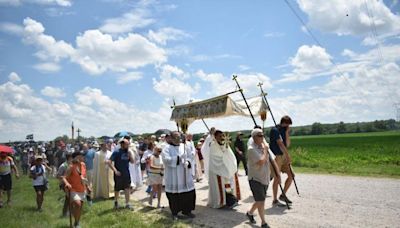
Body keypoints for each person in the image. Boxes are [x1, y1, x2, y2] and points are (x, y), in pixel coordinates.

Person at [246, 128, 281, 228]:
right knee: (261, 201)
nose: (262, 137)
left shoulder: (264, 145)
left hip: (265, 177)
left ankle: (250, 212)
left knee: (260, 200)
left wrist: (277, 173)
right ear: (254, 137)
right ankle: (263, 222)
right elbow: (261, 161)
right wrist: (265, 149)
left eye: (263, 135)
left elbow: (272, 159)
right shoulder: (251, 149)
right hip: (255, 179)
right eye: (260, 135)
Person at [161, 131, 196, 220]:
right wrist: (178, 158)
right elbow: (166, 160)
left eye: (179, 137)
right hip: (173, 177)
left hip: (185, 175)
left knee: (188, 194)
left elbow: (190, 156)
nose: (177, 139)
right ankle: (175, 213)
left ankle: (187, 211)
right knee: (174, 196)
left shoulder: (184, 146)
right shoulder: (166, 148)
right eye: (175, 137)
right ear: (171, 138)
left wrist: (187, 162)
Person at [206, 130, 240, 209]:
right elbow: (216, 157)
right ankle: (221, 202)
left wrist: (226, 149)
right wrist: (224, 154)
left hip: (225, 168)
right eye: (219, 136)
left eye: (222, 136)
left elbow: (230, 155)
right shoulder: (213, 145)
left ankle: (230, 201)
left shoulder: (225, 144)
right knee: (219, 186)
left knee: (227, 185)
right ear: (215, 137)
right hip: (216, 169)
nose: (221, 138)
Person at [270, 115, 294, 206]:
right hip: (277, 156)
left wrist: (287, 133)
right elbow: (280, 144)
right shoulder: (275, 130)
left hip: (283, 155)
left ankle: (283, 195)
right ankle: (275, 199)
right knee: (277, 178)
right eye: (288, 125)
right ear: (284, 123)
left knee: (291, 175)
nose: (289, 126)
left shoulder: (285, 130)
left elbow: (287, 144)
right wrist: (288, 155)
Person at [63, 151, 89, 228]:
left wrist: (88, 186)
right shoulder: (71, 166)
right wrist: (67, 183)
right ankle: (76, 223)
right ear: (77, 157)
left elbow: (85, 176)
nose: (83, 157)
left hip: (82, 188)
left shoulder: (83, 165)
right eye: (81, 156)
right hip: (73, 189)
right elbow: (64, 177)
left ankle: (76, 222)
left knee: (80, 208)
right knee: (78, 204)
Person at [107, 138, 135, 210]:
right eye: (127, 144)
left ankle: (127, 203)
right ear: (122, 144)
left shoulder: (128, 152)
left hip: (126, 173)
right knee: (117, 188)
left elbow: (132, 162)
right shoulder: (116, 152)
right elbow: (109, 162)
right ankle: (116, 202)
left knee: (127, 188)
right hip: (118, 174)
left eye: (128, 144)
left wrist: (130, 154)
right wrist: (115, 171)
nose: (128, 145)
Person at [56, 152, 73, 217]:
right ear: (69, 158)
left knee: (69, 198)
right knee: (68, 197)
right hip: (64, 184)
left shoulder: (72, 165)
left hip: (71, 184)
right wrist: (64, 178)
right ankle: (66, 212)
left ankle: (68, 212)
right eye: (72, 157)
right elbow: (57, 176)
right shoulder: (63, 166)